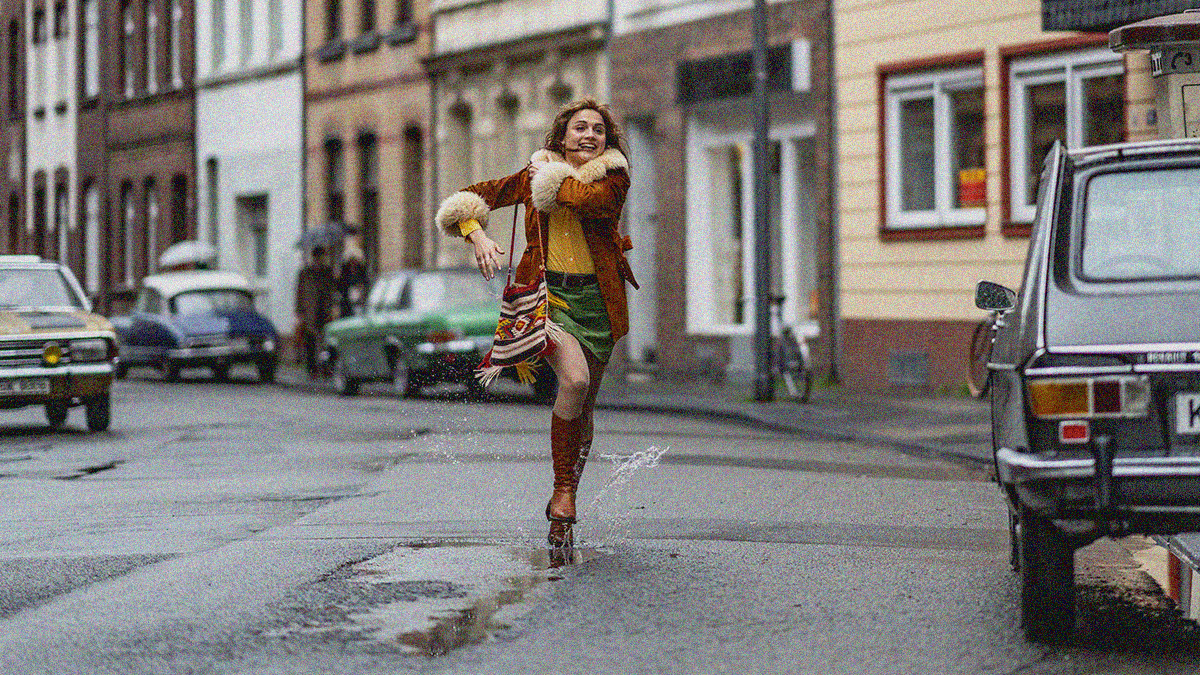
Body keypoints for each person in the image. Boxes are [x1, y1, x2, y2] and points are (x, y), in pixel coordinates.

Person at [435, 98, 638, 548]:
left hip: (599, 303)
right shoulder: (534, 175)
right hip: (551, 299)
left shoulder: (614, 178)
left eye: (598, 131)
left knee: (585, 408)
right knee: (575, 382)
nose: (589, 136)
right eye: (579, 128)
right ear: (561, 137)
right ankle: (564, 493)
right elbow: (464, 201)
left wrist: (545, 177)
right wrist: (478, 234)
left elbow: (590, 204)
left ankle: (562, 504)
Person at [294, 245, 337, 376]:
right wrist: (299, 311)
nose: (321, 259)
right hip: (310, 310)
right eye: (319, 257)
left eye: (323, 257)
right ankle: (311, 368)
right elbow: (299, 292)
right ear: (314, 257)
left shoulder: (328, 272)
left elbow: (332, 290)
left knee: (326, 340)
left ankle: (326, 367)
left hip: (324, 310)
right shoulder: (305, 272)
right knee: (311, 340)